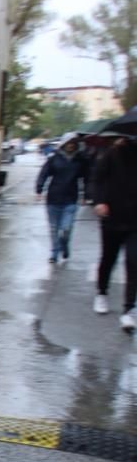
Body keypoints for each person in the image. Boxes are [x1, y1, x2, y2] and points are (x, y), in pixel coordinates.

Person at [91, 137, 137, 332]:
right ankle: (102, 293)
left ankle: (129, 310)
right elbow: (97, 178)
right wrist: (99, 201)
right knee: (109, 258)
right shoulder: (113, 153)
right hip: (112, 215)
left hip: (135, 219)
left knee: (134, 261)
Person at [35, 136, 88, 264]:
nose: (71, 145)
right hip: (53, 199)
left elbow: (87, 177)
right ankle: (54, 253)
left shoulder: (80, 160)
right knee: (54, 228)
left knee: (66, 228)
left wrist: (87, 195)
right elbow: (44, 173)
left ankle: (64, 244)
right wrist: (39, 189)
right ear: (63, 144)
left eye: (73, 143)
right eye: (68, 143)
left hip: (70, 199)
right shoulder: (54, 159)